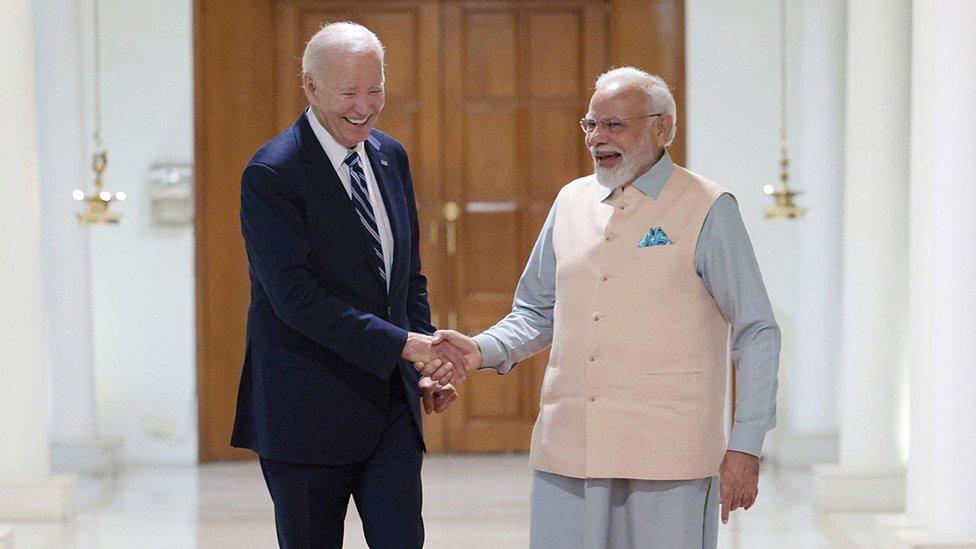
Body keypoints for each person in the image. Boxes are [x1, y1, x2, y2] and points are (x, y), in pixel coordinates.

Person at [418, 67, 780, 548]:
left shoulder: (709, 207)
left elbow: (757, 330)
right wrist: (478, 350)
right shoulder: (570, 202)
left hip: (669, 460)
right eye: (590, 124)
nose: (597, 139)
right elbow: (536, 311)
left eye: (614, 125)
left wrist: (745, 444)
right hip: (569, 452)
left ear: (662, 127)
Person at [231, 22, 468, 548]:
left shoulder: (390, 155)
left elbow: (407, 277)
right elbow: (295, 299)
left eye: (375, 89)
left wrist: (426, 362)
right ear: (311, 87)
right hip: (308, 410)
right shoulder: (273, 174)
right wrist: (403, 345)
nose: (364, 106)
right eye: (349, 93)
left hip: (392, 409)